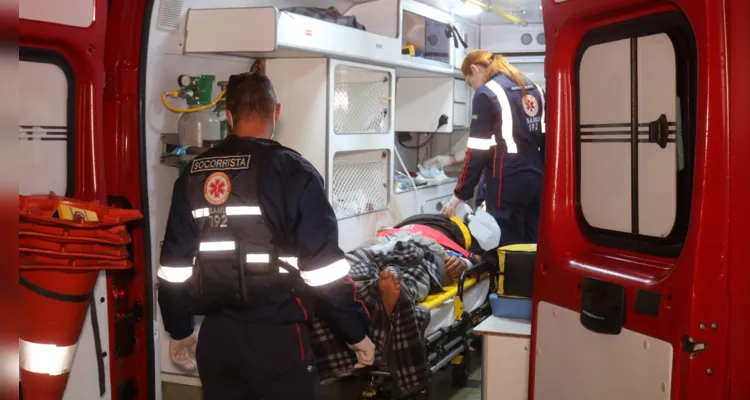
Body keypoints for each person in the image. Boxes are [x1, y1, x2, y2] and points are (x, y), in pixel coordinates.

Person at [157, 72, 375, 400]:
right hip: (279, 339)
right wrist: (355, 332)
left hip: (218, 341)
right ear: (276, 112)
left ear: (229, 116)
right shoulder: (292, 171)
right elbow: (323, 269)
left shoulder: (193, 173)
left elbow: (173, 267)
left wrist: (180, 329)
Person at [437, 50, 546, 246]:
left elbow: (477, 150)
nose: (473, 88)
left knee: (504, 246)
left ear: (474, 69)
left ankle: (509, 277)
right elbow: (547, 138)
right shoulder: (535, 88)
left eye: (470, 83)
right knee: (532, 244)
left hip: (507, 181)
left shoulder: (486, 94)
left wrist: (459, 194)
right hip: (538, 178)